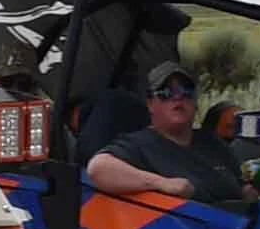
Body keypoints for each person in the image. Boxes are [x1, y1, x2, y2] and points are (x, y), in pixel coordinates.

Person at [83, 64, 244, 211]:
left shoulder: (214, 144)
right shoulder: (139, 144)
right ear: (150, 104)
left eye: (186, 91)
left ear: (196, 102)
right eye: (166, 93)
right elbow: (98, 168)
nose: (178, 98)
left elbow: (241, 185)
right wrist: (161, 183)